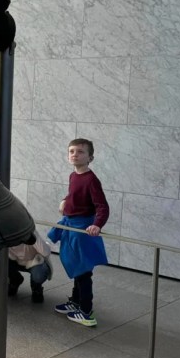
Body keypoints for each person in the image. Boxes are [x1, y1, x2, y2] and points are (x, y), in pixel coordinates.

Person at [49, 138, 109, 327]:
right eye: (72, 151)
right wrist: (65, 201)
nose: (75, 154)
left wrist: (97, 225)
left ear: (90, 157)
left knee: (83, 271)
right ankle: (75, 301)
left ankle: (86, 311)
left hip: (81, 230)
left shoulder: (91, 180)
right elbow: (74, 195)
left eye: (80, 152)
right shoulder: (73, 175)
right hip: (71, 227)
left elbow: (102, 206)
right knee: (77, 266)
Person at [7, 230, 53, 302]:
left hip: (34, 262)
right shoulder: (5, 234)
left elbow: (46, 252)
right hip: (15, 261)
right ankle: (15, 280)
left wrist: (34, 236)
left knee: (38, 274)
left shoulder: (29, 231)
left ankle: (36, 288)